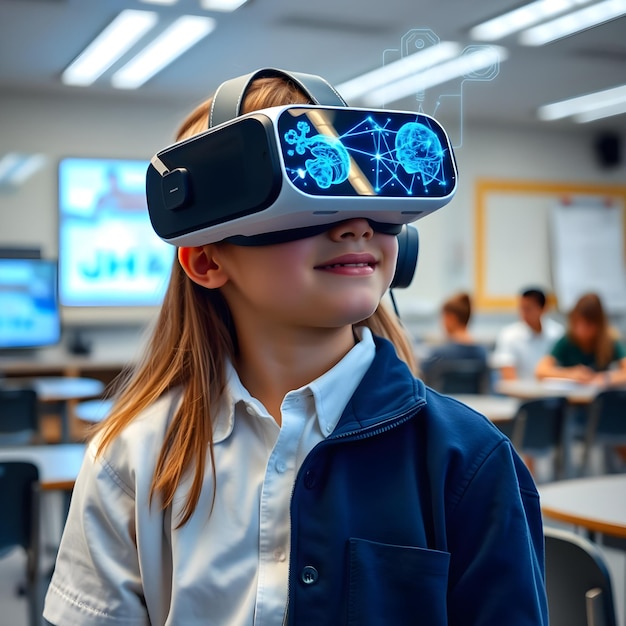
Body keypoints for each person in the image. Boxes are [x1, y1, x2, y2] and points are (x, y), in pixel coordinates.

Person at [43, 70, 547, 625]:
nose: (355, 224)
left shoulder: (469, 462)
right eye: (310, 192)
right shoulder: (132, 458)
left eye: (366, 187)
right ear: (208, 259)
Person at [536, 292, 626, 386]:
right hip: (572, 397)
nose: (581, 330)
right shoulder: (568, 340)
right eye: (577, 324)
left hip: (599, 396)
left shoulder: (609, 340)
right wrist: (571, 374)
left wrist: (605, 378)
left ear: (599, 325)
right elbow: (541, 370)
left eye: (588, 325)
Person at [420, 292, 489, 393]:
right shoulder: (482, 352)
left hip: (444, 406)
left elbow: (422, 381)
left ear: (451, 318)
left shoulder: (439, 353)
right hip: (471, 406)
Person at [493, 287, 564, 381]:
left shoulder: (557, 333)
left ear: (543, 309)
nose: (523, 313)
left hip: (552, 392)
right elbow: (509, 379)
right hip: (520, 394)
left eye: (528, 309)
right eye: (522, 308)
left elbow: (563, 367)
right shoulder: (509, 335)